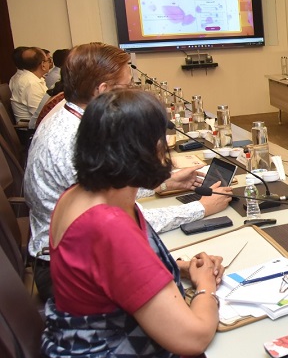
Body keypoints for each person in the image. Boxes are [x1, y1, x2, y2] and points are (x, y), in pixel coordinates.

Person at [42, 89, 228, 358]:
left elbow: (111, 274)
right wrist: (205, 286)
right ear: (141, 150)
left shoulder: (83, 194)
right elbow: (193, 336)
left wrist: (181, 267)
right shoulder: (107, 224)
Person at [24, 42, 232, 300]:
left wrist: (163, 183)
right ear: (104, 91)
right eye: (128, 86)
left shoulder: (70, 116)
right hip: (69, 274)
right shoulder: (74, 142)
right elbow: (124, 221)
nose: (134, 93)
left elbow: (108, 190)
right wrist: (200, 209)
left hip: (76, 258)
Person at [10, 46, 50, 122]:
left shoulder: (32, 78)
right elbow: (42, 114)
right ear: (43, 65)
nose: (50, 63)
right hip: (32, 127)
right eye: (48, 60)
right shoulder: (31, 83)